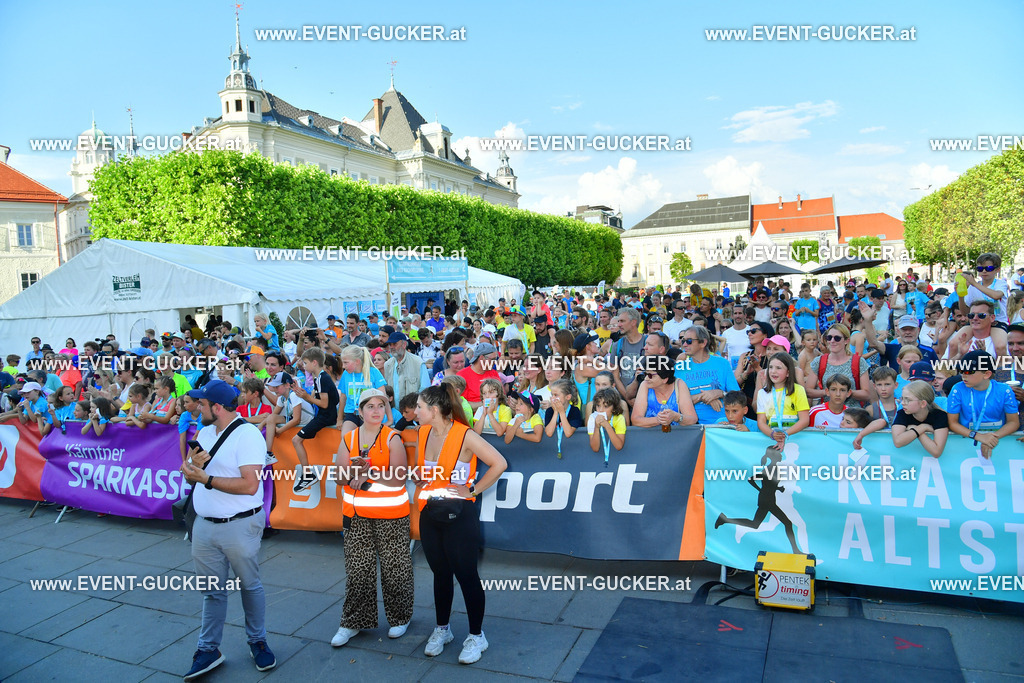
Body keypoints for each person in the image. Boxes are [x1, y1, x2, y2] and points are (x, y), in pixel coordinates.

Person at [181, 380, 275, 680]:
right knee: (211, 592)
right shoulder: (204, 432)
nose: (197, 408)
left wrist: (206, 479)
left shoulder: (248, 435)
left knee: (249, 585)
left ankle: (257, 641)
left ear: (217, 407)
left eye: (202, 404)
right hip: (204, 525)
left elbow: (250, 485)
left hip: (240, 524)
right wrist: (191, 470)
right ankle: (208, 649)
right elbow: (189, 476)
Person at [414, 384, 508, 664]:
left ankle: (477, 636)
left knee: (466, 575)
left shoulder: (464, 434)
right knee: (440, 573)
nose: (415, 411)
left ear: (434, 410)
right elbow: (428, 471)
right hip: (430, 513)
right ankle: (442, 629)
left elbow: (499, 463)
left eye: (419, 407)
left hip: (459, 516)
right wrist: (421, 477)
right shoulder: (423, 432)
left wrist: (472, 490)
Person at [331, 389, 414, 648]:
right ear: (360, 411)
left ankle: (400, 617)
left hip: (391, 515)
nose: (376, 411)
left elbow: (399, 478)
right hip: (356, 516)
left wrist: (369, 474)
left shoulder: (392, 437)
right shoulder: (349, 438)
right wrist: (352, 472)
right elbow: (339, 478)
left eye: (380, 405)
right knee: (358, 570)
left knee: (395, 569)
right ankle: (353, 621)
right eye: (370, 406)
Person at [946, 350, 1019, 460]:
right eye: (961, 371)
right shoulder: (957, 389)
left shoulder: (1004, 390)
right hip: (965, 443)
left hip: (999, 443)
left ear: (987, 374)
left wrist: (991, 438)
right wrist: (979, 436)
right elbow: (952, 423)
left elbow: (1013, 422)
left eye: (968, 372)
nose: (963, 376)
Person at [290, 348, 340, 493]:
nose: (303, 366)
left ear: (314, 362)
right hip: (323, 416)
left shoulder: (323, 378)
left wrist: (306, 397)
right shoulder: (319, 377)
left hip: (325, 417)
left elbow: (324, 403)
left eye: (305, 363)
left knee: (296, 440)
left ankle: (307, 475)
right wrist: (302, 394)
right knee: (296, 440)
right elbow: (315, 399)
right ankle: (307, 474)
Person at [676, 326, 739, 424]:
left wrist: (720, 393)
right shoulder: (680, 368)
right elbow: (675, 403)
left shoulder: (722, 363)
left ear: (703, 343)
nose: (684, 344)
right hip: (693, 425)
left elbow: (738, 397)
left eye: (689, 341)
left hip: (723, 424)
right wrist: (702, 396)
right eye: (683, 341)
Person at [804, 323, 872, 407]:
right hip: (827, 411)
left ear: (846, 341)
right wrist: (827, 392)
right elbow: (808, 391)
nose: (832, 341)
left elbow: (867, 394)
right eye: (829, 338)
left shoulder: (858, 362)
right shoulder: (819, 361)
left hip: (852, 411)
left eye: (837, 338)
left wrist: (846, 392)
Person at [756, 352, 810, 448]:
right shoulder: (762, 393)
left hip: (795, 439)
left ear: (788, 372)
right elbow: (761, 422)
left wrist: (785, 434)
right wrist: (772, 434)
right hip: (772, 439)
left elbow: (805, 420)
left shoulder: (798, 390)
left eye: (778, 368)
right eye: (771, 367)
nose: (773, 371)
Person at [631, 357, 698, 428]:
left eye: (650, 375)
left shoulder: (679, 384)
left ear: (665, 379)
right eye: (645, 374)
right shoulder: (645, 385)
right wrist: (659, 420)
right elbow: (635, 420)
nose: (646, 378)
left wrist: (676, 417)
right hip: (650, 433)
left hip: (676, 433)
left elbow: (692, 419)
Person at [891, 380, 949, 457]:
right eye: (902, 398)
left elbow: (936, 452)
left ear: (923, 403)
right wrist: (921, 428)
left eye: (907, 400)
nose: (902, 403)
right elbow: (898, 442)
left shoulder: (940, 416)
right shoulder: (903, 413)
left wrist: (918, 428)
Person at [960, 252, 1009, 325]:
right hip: (977, 322)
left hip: (998, 322)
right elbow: (965, 312)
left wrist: (974, 283)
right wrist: (960, 295)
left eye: (989, 268)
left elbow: (996, 295)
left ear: (997, 269)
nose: (984, 271)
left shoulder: (1001, 283)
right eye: (980, 269)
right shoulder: (972, 287)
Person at [588, 388, 627, 456]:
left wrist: (607, 426)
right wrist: (596, 428)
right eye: (598, 406)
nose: (600, 410)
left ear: (614, 408)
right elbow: (595, 448)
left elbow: (619, 446)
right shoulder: (592, 418)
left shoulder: (619, 419)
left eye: (605, 406)